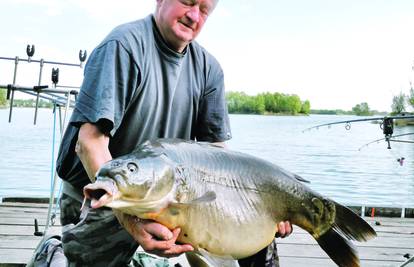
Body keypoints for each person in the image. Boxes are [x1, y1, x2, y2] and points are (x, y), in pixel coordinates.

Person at [56, 0, 292, 266]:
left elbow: (218, 158)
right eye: (188, 2)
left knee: (258, 244)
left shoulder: (209, 69)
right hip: (103, 195)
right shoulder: (123, 46)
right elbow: (88, 143)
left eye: (204, 10)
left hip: (172, 196)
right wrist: (132, 221)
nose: (194, 16)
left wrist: (269, 207)